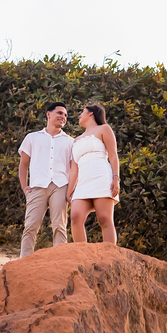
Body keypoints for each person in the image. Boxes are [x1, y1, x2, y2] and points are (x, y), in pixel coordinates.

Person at [17, 102, 74, 258]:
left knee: (60, 226)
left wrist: (71, 191)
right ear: (49, 114)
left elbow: (73, 168)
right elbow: (23, 164)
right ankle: (24, 262)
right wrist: (24, 186)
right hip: (37, 186)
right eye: (60, 113)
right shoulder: (32, 137)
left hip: (60, 186)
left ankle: (60, 261)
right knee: (30, 226)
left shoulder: (70, 141)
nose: (63, 117)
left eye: (65, 115)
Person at [68, 103, 120, 244]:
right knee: (75, 216)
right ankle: (82, 253)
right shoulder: (76, 140)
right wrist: (69, 192)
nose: (79, 115)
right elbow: (74, 170)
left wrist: (116, 178)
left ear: (91, 113)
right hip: (83, 182)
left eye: (82, 112)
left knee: (104, 218)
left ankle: (110, 254)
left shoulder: (104, 129)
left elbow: (113, 155)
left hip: (101, 176)